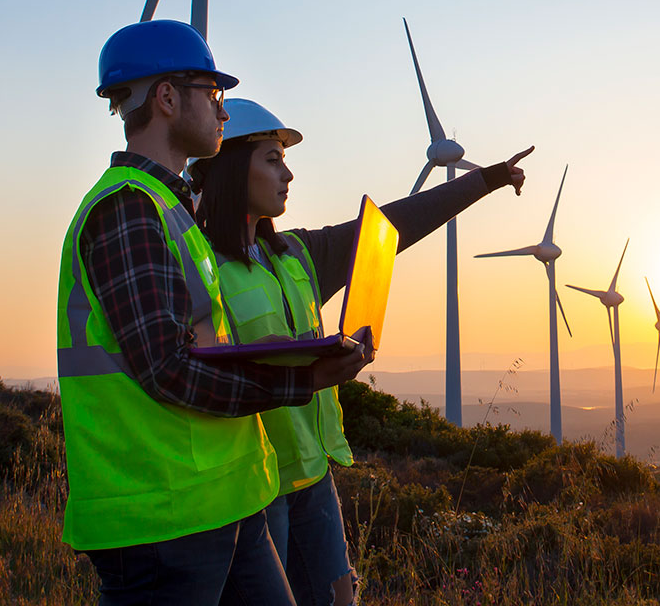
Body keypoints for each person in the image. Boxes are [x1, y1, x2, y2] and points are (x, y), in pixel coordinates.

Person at [56, 20, 370, 606]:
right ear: (168, 99)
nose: (224, 114)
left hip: (227, 498)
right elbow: (168, 369)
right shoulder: (128, 209)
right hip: (162, 519)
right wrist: (301, 380)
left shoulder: (173, 213)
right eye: (214, 95)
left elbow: (205, 347)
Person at [190, 98, 531, 606]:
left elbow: (392, 228)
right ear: (232, 168)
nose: (288, 174)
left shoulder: (298, 255)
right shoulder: (199, 265)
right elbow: (199, 373)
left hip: (314, 478)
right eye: (272, 159)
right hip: (253, 488)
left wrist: (485, 179)